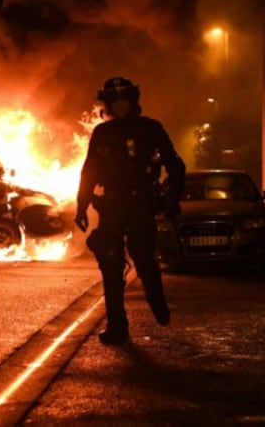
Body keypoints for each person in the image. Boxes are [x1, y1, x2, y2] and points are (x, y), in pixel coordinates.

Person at [75, 76, 186, 344]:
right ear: (109, 104)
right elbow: (89, 171)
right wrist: (82, 204)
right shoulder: (102, 133)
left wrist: (172, 197)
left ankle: (157, 302)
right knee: (110, 264)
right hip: (112, 205)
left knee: (144, 257)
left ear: (133, 101)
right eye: (115, 100)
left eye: (125, 99)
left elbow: (175, 165)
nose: (120, 105)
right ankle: (117, 326)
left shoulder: (151, 129)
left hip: (141, 204)